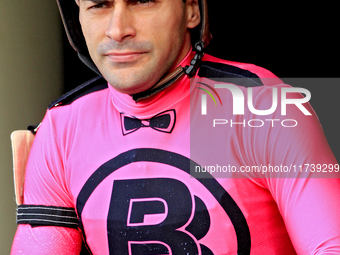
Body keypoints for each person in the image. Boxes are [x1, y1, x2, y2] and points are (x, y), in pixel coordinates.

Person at [11, 0, 340, 254]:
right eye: (99, 5)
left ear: (191, 10)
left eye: (143, 0)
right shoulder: (61, 125)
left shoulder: (264, 104)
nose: (117, 29)